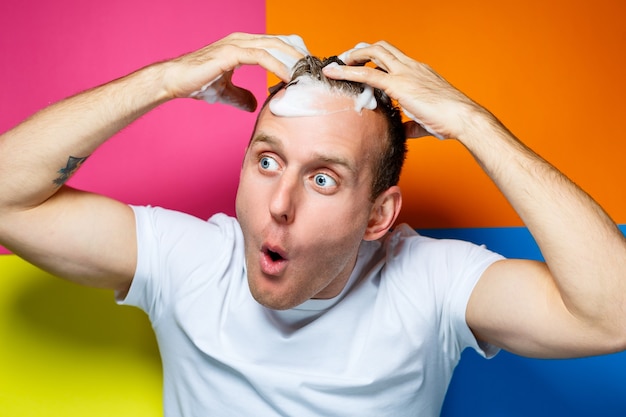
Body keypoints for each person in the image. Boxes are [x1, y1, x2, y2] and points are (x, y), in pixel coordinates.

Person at [0, 32, 625, 416]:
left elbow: (614, 314)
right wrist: (166, 79)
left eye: (324, 178)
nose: (280, 202)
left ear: (379, 215)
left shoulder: (432, 283)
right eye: (267, 160)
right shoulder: (191, 259)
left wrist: (474, 124)